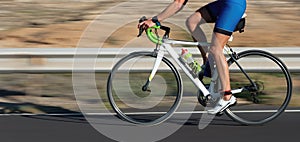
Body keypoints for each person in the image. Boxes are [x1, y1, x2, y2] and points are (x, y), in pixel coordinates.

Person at [138, 0, 247, 114]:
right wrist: (156, 20)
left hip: (233, 5)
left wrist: (155, 20)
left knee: (216, 49)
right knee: (192, 22)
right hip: (224, 4)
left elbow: (178, 3)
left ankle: (227, 96)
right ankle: (209, 63)